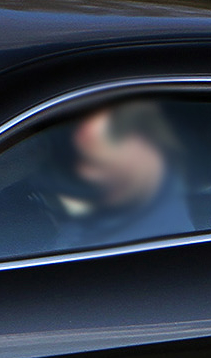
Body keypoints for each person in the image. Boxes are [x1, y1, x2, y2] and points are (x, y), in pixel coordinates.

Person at [54, 99, 192, 250]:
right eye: (83, 161)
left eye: (97, 163)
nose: (86, 174)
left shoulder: (159, 238)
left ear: (140, 146)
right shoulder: (118, 211)